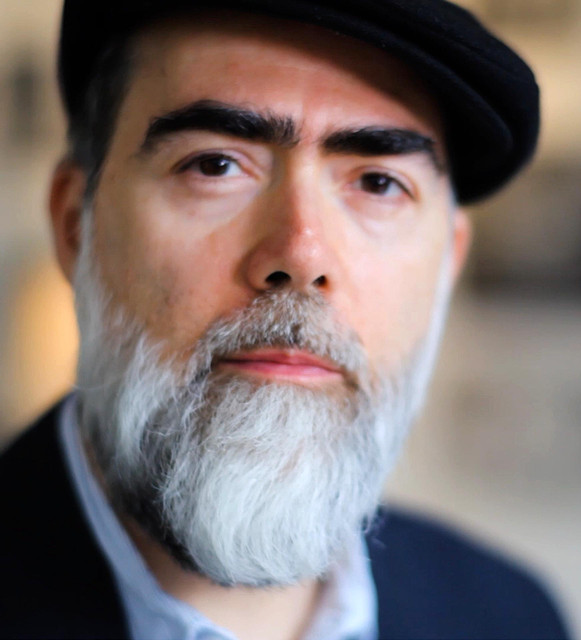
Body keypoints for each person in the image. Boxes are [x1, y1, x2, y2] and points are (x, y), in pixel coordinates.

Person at [0, 1, 572, 638]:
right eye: (215, 165)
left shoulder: (510, 615)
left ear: (447, 263)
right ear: (76, 226)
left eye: (378, 183)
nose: (302, 255)